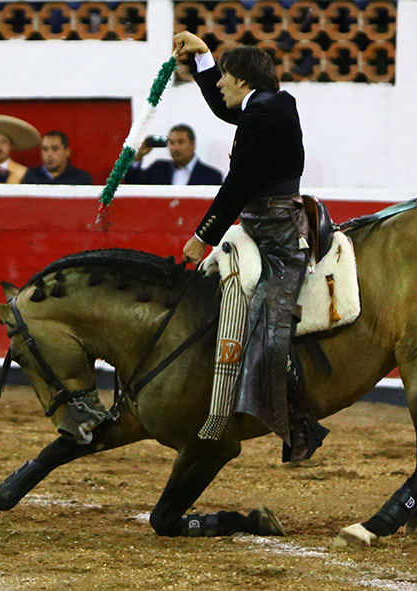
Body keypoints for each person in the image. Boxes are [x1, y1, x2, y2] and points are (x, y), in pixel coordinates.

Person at [174, 31, 326, 462]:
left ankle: (299, 423)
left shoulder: (263, 114)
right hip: (261, 222)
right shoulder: (266, 106)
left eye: (223, 76)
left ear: (241, 80)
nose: (219, 84)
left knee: (268, 317)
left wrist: (201, 236)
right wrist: (203, 55)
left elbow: (238, 183)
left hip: (277, 230)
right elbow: (226, 110)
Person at [123, 123, 223, 185]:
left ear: (193, 144)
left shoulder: (212, 176)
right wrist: (138, 156)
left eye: (180, 142)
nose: (175, 148)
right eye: (171, 142)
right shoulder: (158, 169)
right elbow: (133, 181)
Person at [21, 131, 93, 185]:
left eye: (55, 149)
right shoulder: (30, 176)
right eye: (45, 149)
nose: (49, 154)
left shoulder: (81, 179)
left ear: (67, 151)